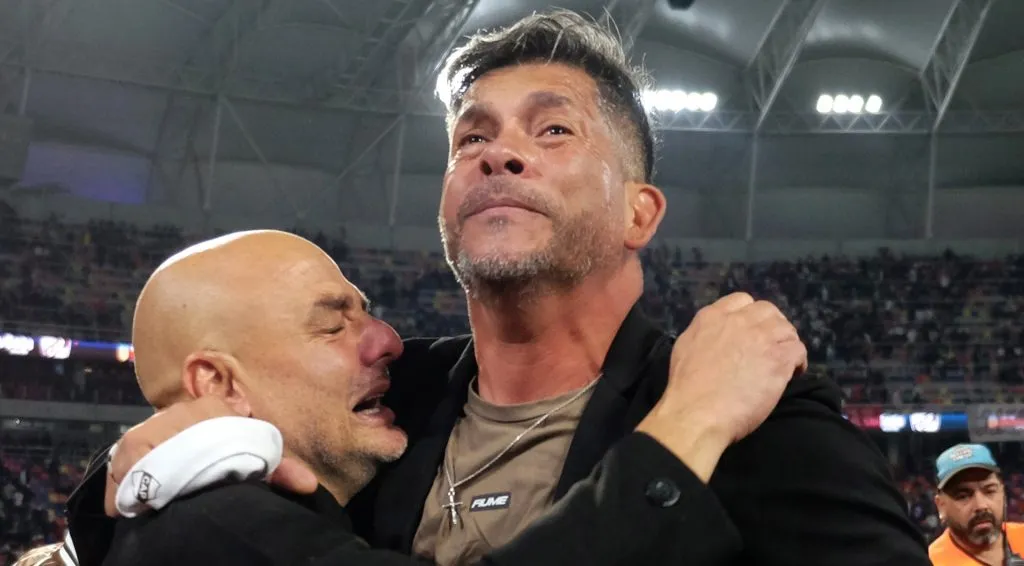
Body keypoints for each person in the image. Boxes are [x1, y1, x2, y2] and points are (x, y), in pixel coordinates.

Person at [64, 10, 930, 566]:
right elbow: (176, 509)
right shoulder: (385, 403)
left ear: (639, 211)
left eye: (553, 130)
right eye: (470, 139)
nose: (498, 153)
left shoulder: (755, 416)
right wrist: (130, 468)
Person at [90, 230, 798, 566]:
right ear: (216, 383)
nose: (387, 341)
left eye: (368, 314)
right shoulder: (214, 532)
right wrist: (691, 423)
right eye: (333, 324)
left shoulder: (246, 501)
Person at [929, 443, 1024, 565]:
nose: (981, 505)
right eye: (963, 496)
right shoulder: (931, 562)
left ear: (1003, 493)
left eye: (989, 491)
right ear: (941, 506)